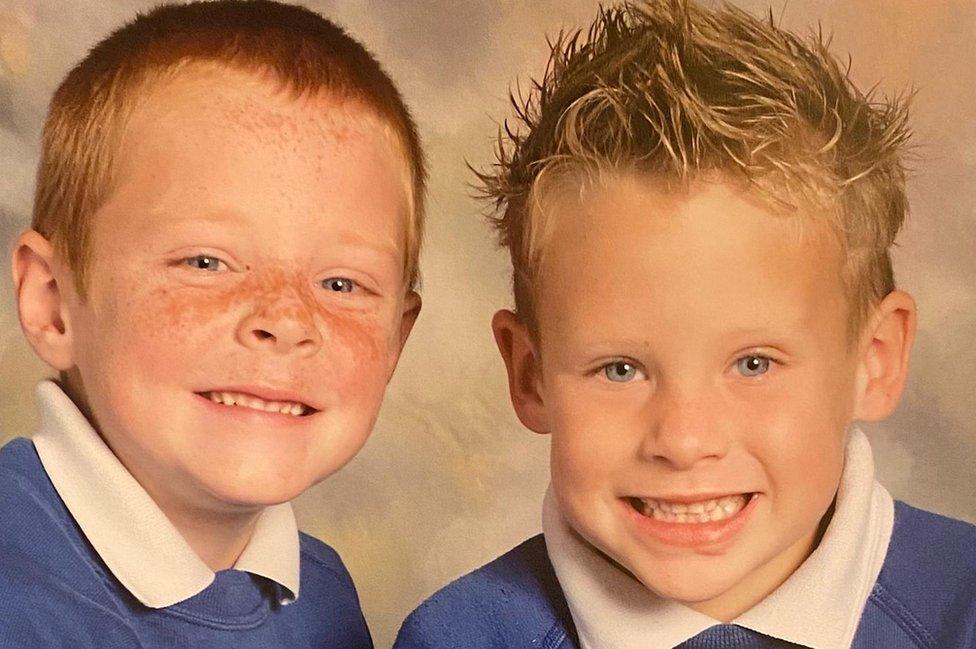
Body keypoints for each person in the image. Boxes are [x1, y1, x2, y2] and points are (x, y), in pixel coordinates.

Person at [395, 1, 975, 647]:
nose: (685, 439)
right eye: (619, 369)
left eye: (754, 363)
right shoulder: (460, 636)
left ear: (875, 357)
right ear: (530, 375)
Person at [2, 1, 424, 646]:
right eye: (207, 261)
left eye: (341, 283)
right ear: (53, 302)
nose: (284, 320)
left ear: (399, 337)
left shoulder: (325, 601)